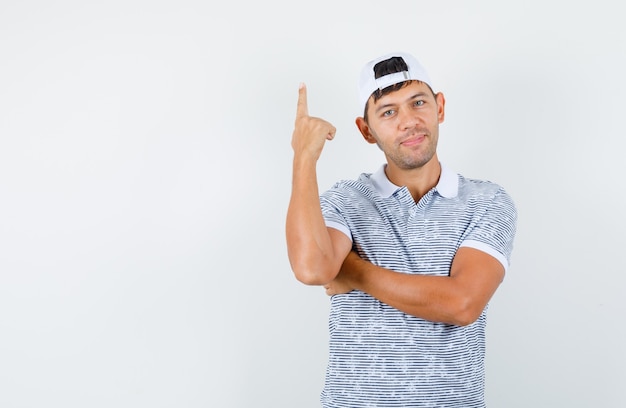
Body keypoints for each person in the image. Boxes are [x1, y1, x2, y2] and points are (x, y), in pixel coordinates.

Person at [286, 51, 517, 408]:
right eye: (388, 112)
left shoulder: (487, 201)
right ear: (367, 131)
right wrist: (304, 157)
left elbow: (463, 303)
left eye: (418, 103)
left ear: (439, 107)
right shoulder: (345, 201)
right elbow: (313, 269)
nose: (409, 121)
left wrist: (352, 269)